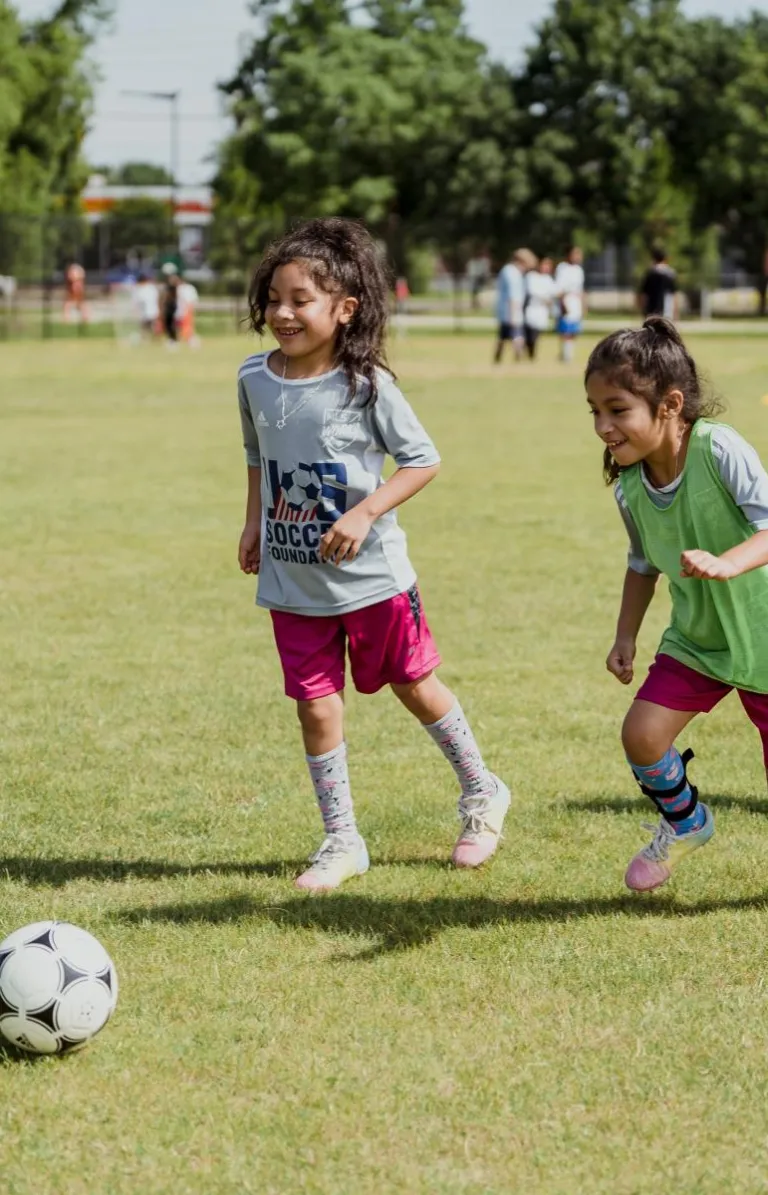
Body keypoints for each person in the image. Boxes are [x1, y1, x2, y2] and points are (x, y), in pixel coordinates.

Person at [237, 217, 510, 892]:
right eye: (275, 298)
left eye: (300, 300)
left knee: (414, 686)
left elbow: (422, 460)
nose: (283, 312)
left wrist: (365, 511)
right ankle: (342, 839)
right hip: (292, 577)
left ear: (344, 308)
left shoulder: (367, 384)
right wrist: (252, 524)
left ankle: (482, 791)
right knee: (316, 707)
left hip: (373, 580)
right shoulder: (252, 378)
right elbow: (256, 456)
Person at [587, 316, 768, 892]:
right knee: (642, 734)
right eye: (594, 411)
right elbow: (642, 563)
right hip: (699, 639)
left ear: (669, 403)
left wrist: (730, 561)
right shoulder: (630, 487)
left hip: (763, 638)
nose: (603, 426)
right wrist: (624, 637)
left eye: (617, 410)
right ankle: (686, 822)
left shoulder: (719, 449)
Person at [494, 249, 536, 363]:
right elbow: (513, 296)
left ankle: (498, 359)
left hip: (509, 311)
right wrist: (514, 315)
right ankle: (518, 358)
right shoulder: (512, 273)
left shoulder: (511, 271)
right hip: (511, 311)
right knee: (517, 337)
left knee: (503, 337)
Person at [554, 246, 586, 364]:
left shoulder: (579, 270)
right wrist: (563, 304)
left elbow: (581, 290)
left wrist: (583, 304)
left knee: (574, 330)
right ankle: (565, 354)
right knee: (565, 329)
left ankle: (569, 352)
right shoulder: (563, 268)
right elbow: (560, 289)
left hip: (576, 302)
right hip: (567, 300)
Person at [523, 257, 556, 360]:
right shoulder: (531, 276)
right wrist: (544, 299)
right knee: (530, 333)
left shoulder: (548, 279)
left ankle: (531, 354)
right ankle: (528, 353)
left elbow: (554, 291)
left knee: (536, 334)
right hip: (532, 308)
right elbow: (532, 291)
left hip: (542, 311)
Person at [638, 246, 679, 320]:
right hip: (667, 310)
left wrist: (642, 309)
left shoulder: (650, 273)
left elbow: (643, 294)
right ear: (665, 259)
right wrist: (676, 314)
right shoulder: (670, 274)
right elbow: (674, 294)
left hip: (651, 310)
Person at [134, 273, 160, 339]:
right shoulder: (139, 289)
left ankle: (155, 338)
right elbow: (137, 301)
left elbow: (155, 299)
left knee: (153, 326)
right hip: (144, 312)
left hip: (151, 311)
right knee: (144, 327)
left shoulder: (151, 288)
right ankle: (145, 338)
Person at [162, 274, 179, 346]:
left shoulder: (173, 288)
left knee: (171, 324)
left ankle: (173, 339)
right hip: (168, 307)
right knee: (168, 324)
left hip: (171, 308)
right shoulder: (168, 288)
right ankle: (171, 339)